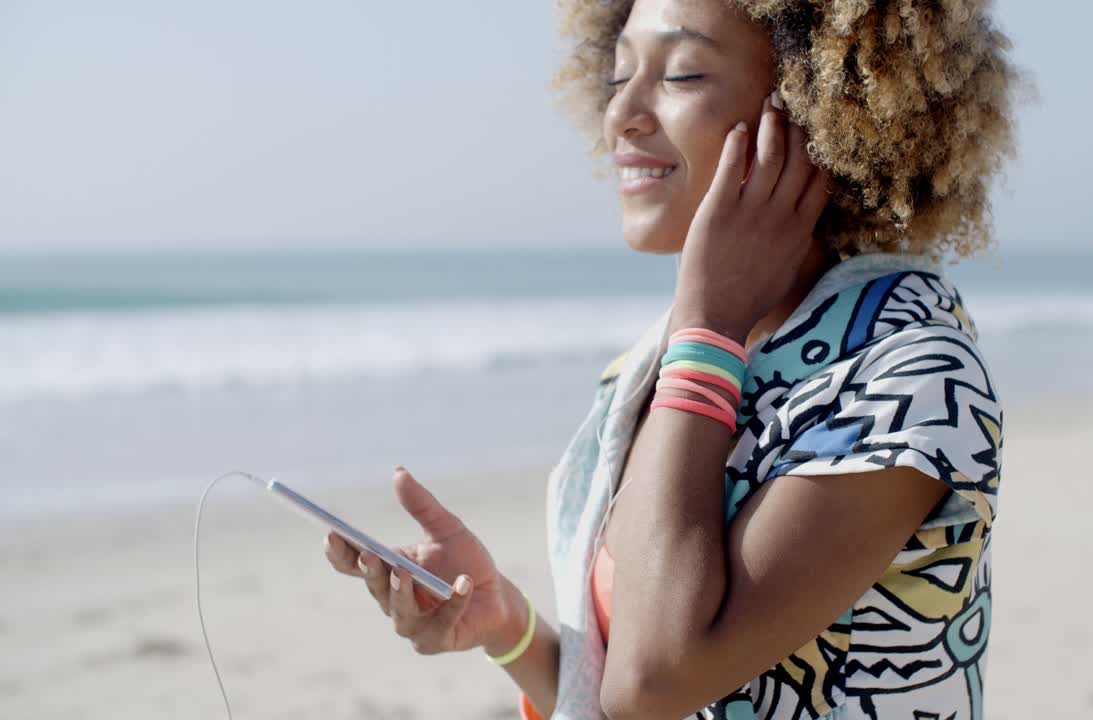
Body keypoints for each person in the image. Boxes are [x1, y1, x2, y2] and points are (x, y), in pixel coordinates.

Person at [323, 0, 1024, 717]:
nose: (621, 112)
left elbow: (654, 682)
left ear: (824, 106)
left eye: (683, 74)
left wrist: (706, 323)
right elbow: (622, 682)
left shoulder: (909, 374)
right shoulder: (652, 370)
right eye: (620, 72)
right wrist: (506, 627)